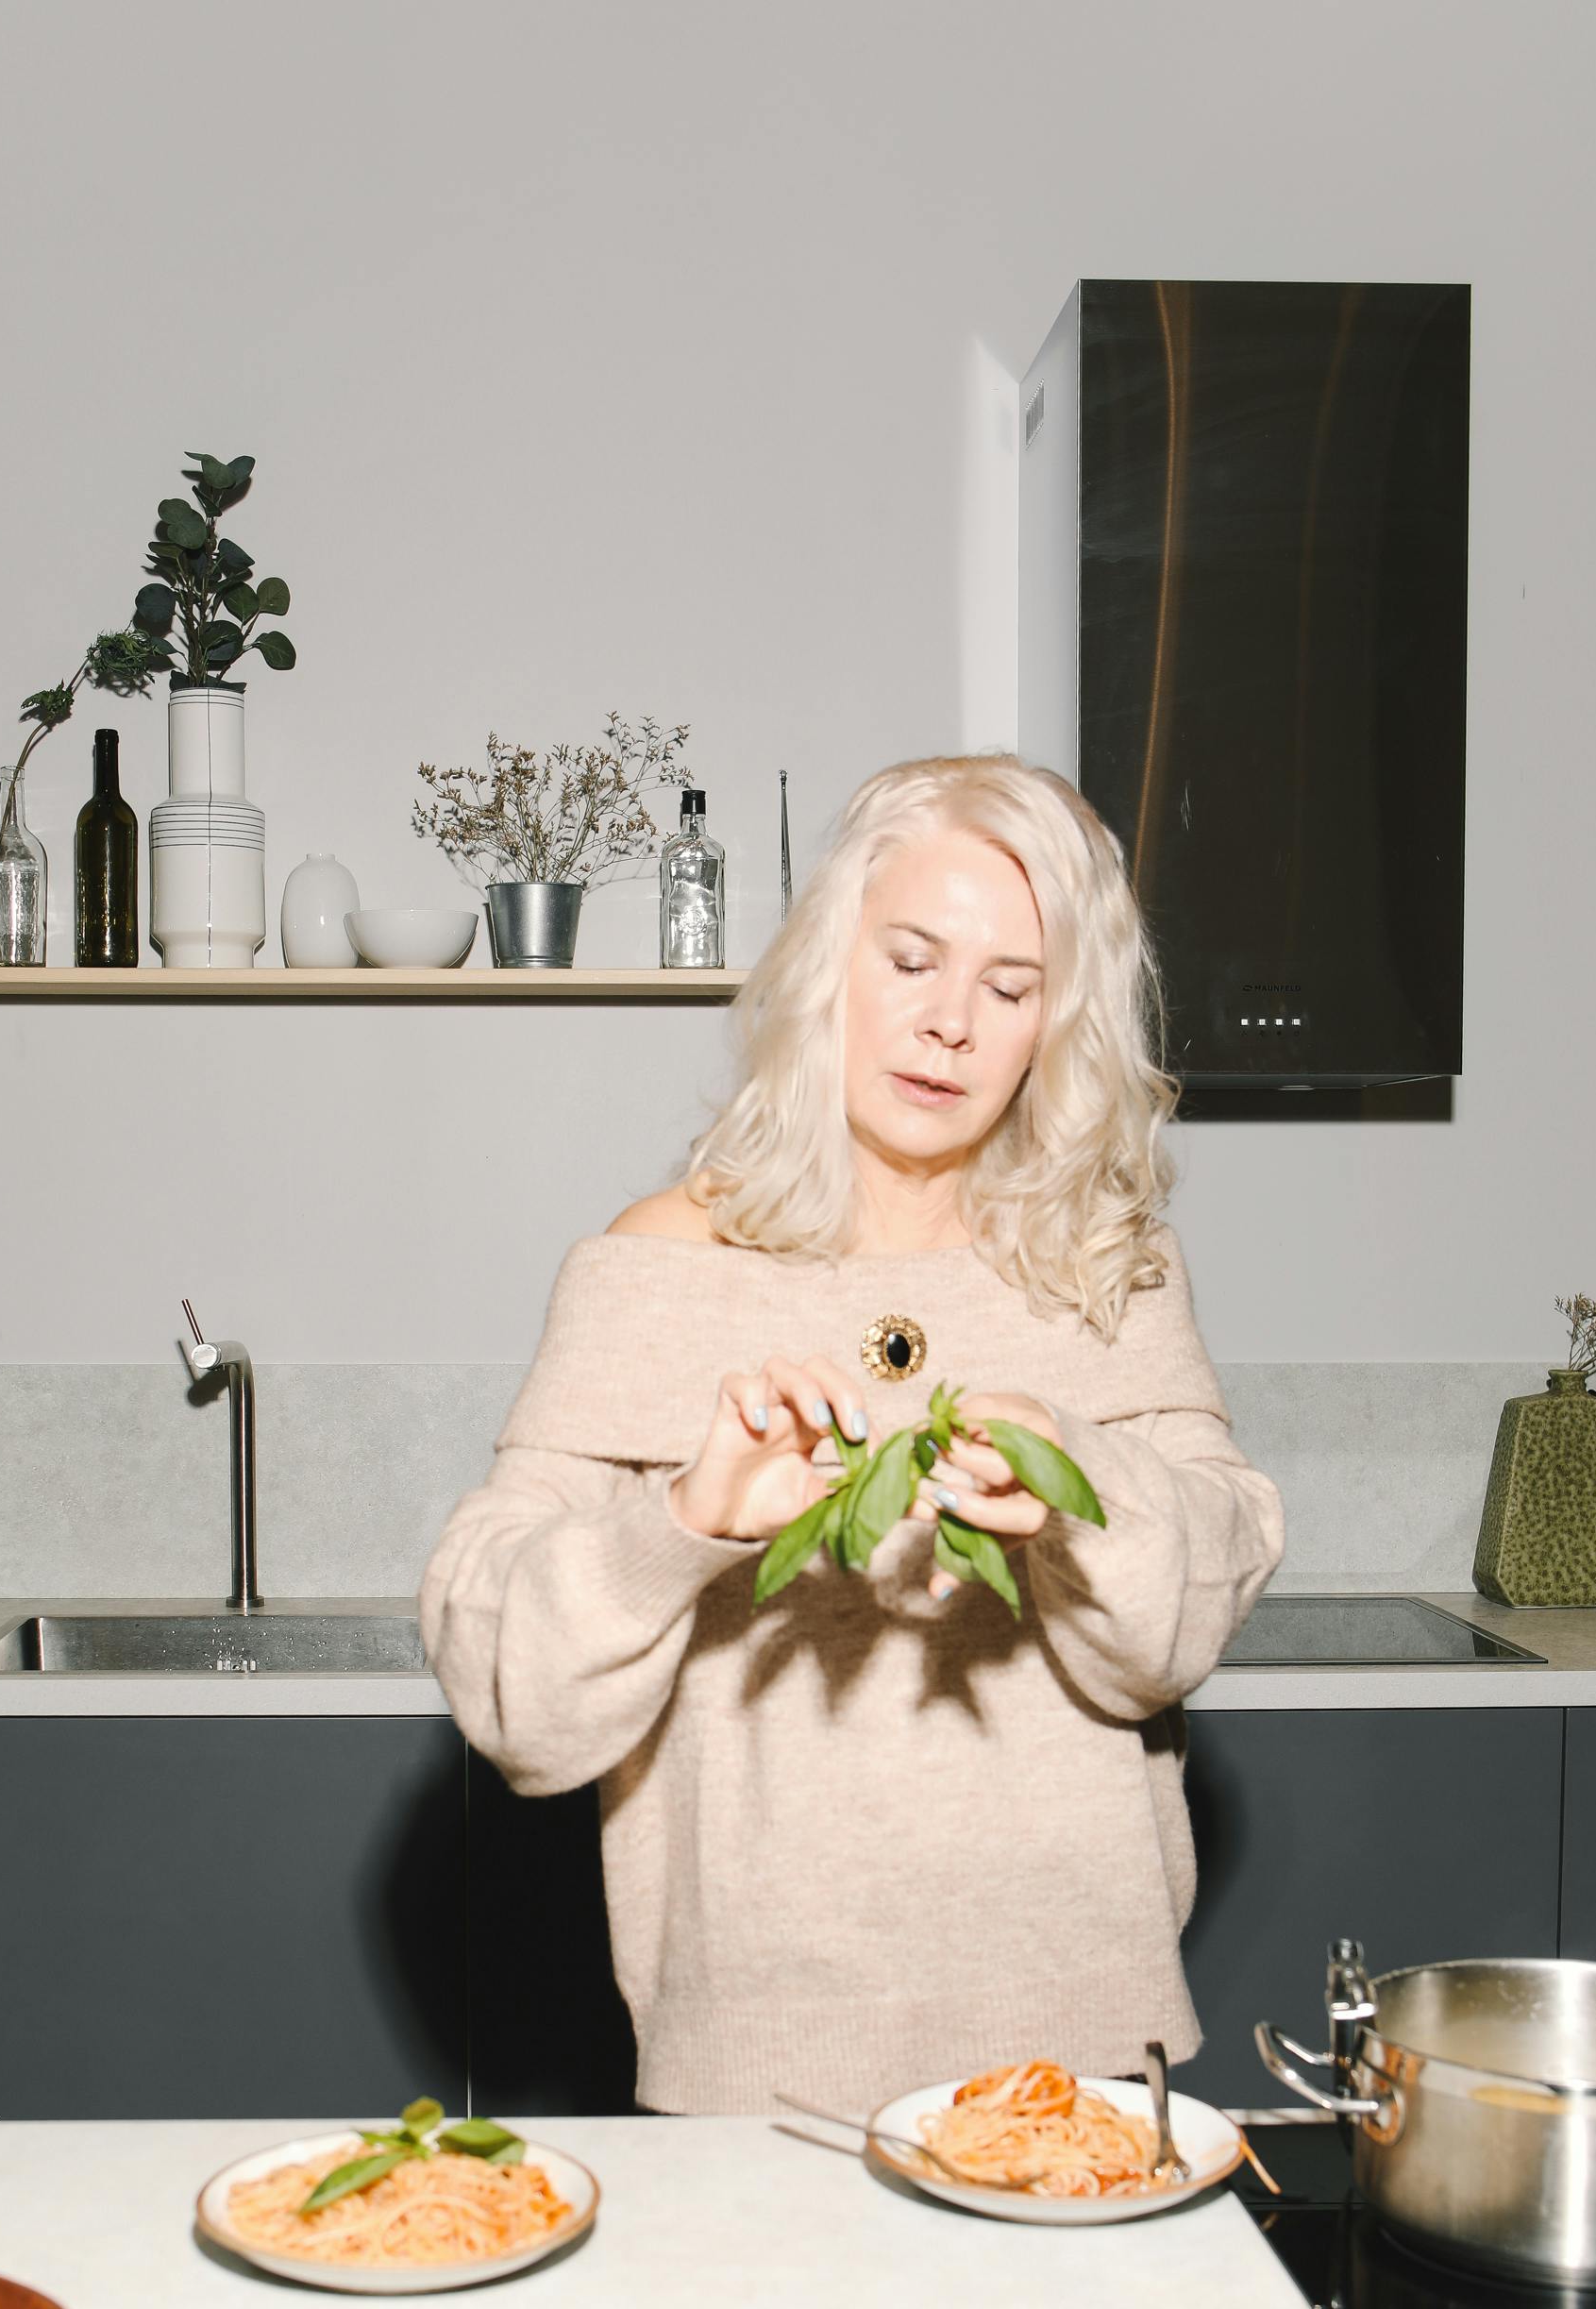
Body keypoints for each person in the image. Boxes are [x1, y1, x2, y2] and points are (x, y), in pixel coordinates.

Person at [422, 753, 1285, 2114]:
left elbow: (1191, 1616)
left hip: (1078, 2059)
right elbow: (514, 1699)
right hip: (755, 2065)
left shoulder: (1113, 1270)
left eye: (1010, 989)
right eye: (913, 961)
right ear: (831, 964)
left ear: (1058, 1029)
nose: (951, 1024)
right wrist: (683, 1524)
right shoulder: (658, 1265)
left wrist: (1075, 1484)